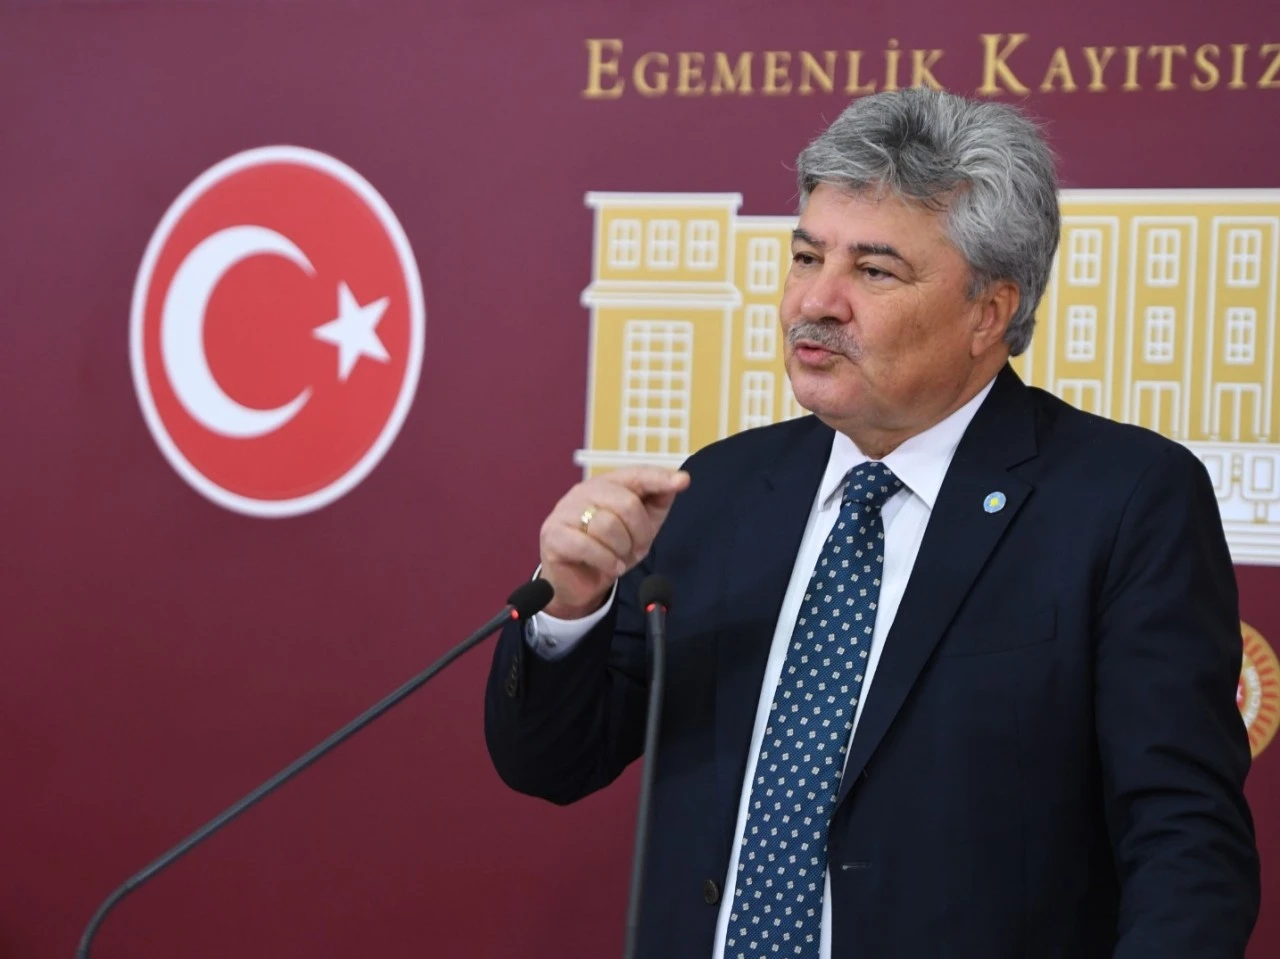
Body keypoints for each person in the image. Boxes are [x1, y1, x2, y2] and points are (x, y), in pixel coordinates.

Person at [484, 88, 1260, 959]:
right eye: (806, 256)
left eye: (874, 271)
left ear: (989, 313)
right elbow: (552, 761)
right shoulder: (723, 488)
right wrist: (572, 606)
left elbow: (1185, 843)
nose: (815, 301)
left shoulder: (1122, 500)